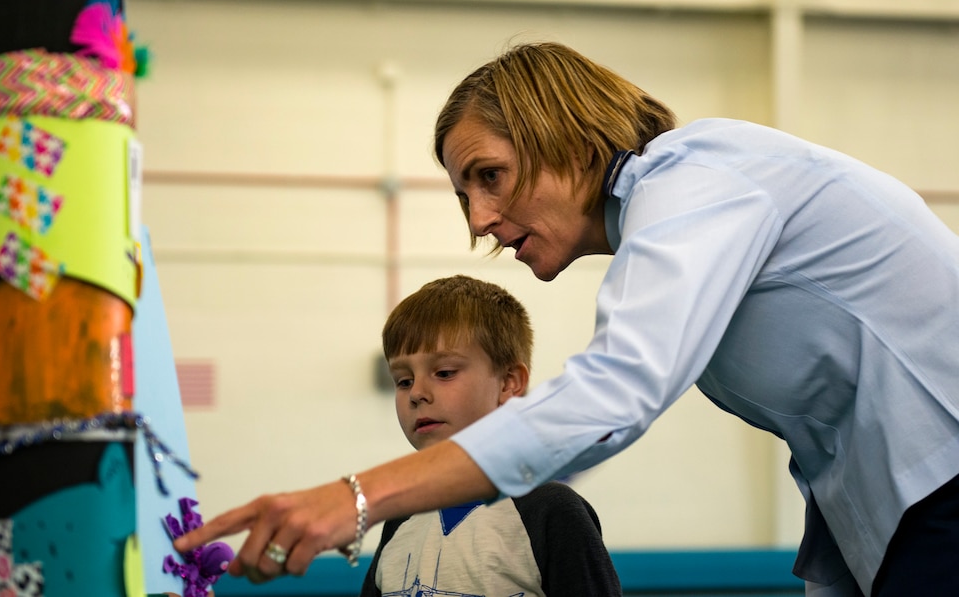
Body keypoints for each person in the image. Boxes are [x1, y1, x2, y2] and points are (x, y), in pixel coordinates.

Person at [176, 41, 959, 597]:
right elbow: (833, 438)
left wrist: (354, 495)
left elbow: (610, 397)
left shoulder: (701, 176)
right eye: (463, 194)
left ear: (567, 135)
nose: (480, 219)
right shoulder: (666, 234)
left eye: (490, 176)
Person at [361, 274, 621, 596]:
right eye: (403, 380)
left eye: (444, 373)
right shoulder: (400, 521)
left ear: (508, 383)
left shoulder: (550, 511)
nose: (416, 393)